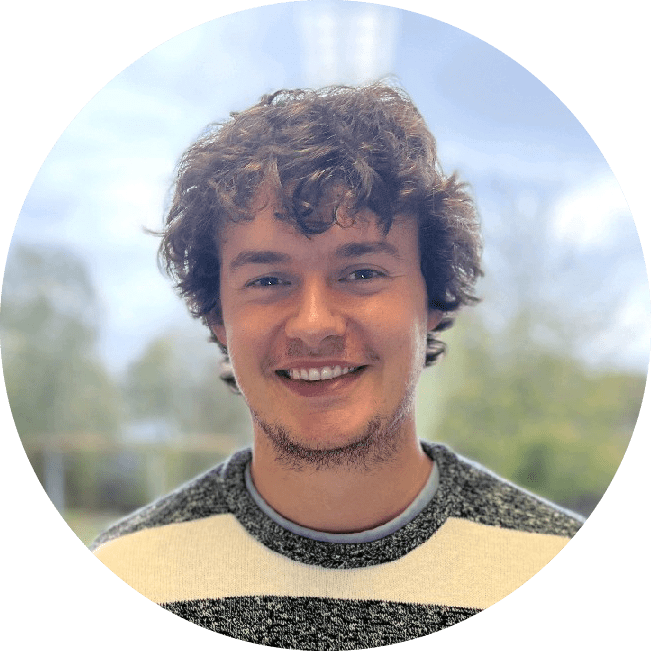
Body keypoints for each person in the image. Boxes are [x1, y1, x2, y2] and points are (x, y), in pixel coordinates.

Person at [91, 83, 583, 650]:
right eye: (268, 280)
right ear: (218, 317)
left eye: (362, 274)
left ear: (431, 299)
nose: (313, 325)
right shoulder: (123, 576)